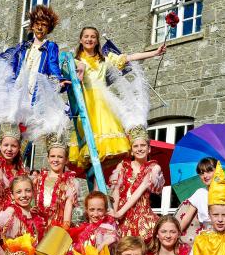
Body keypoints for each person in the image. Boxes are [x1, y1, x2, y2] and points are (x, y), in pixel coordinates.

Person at [67, 26, 165, 168]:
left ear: (97, 41)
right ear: (81, 40)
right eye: (86, 36)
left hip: (103, 100)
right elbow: (73, 69)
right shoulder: (75, 60)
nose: (89, 39)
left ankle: (100, 172)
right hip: (86, 101)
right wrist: (79, 70)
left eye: (93, 37)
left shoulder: (104, 60)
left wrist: (154, 53)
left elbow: (129, 57)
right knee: (89, 135)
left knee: (105, 136)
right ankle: (93, 169)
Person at [0, 5, 67, 93]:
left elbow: (52, 65)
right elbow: (2, 60)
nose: (40, 28)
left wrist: (59, 80)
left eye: (44, 25)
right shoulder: (22, 47)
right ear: (32, 26)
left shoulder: (50, 46)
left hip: (36, 94)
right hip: (17, 93)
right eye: (37, 24)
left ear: (49, 28)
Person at [109, 129, 164, 244]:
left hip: (142, 218)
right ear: (132, 151)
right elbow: (116, 190)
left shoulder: (154, 167)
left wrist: (119, 213)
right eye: (135, 146)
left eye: (143, 145)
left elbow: (140, 190)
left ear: (149, 149)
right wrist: (113, 215)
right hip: (121, 218)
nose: (139, 149)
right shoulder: (122, 165)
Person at [178, 157, 225, 237]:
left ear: (217, 171)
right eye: (202, 173)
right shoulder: (199, 193)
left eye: (209, 171)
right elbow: (186, 218)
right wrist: (176, 235)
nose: (205, 176)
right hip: (206, 237)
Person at [33, 137, 78, 229]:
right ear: (48, 158)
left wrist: (64, 230)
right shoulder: (38, 179)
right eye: (52, 156)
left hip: (58, 229)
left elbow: (68, 207)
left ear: (66, 160)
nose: (56, 160)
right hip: (37, 228)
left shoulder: (70, 182)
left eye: (60, 157)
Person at [0, 175, 45, 241]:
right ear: (12, 195)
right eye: (19, 192)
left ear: (33, 192)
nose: (24, 195)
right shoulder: (11, 212)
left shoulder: (35, 214)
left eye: (28, 191)